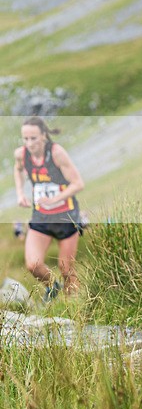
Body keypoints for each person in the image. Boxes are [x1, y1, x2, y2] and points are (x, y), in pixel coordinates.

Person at [13, 117, 84, 301]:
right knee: (33, 265)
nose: (29, 143)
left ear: (44, 135)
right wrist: (20, 193)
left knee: (66, 268)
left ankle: (73, 306)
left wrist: (54, 199)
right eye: (25, 139)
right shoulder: (21, 154)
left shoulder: (56, 153)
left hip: (66, 216)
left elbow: (78, 184)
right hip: (41, 216)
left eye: (33, 138)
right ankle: (53, 287)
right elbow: (18, 169)